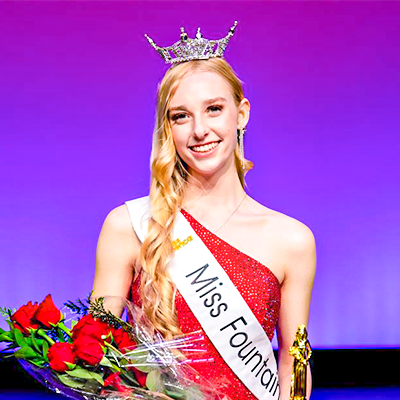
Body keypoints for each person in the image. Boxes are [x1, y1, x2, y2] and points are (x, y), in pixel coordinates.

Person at [92, 23, 316, 400]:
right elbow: (94, 353)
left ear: (241, 114)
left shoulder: (292, 239)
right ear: (168, 128)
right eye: (181, 116)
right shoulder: (129, 226)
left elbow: (294, 363)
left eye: (214, 109)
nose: (200, 130)